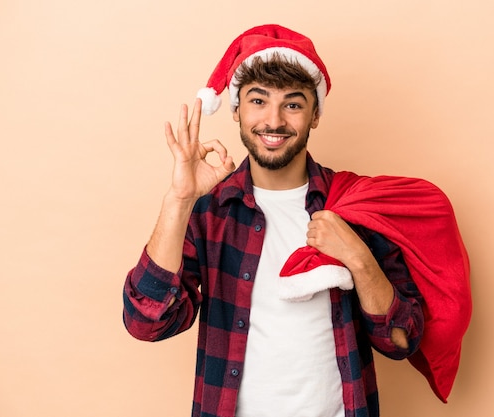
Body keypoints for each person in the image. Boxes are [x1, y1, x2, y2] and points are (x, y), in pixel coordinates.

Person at [123, 24, 426, 417]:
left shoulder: (353, 205)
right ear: (236, 109)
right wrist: (180, 198)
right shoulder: (210, 213)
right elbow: (146, 322)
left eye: (293, 104)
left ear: (315, 114)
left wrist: (359, 260)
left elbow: (402, 341)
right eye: (258, 101)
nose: (274, 121)